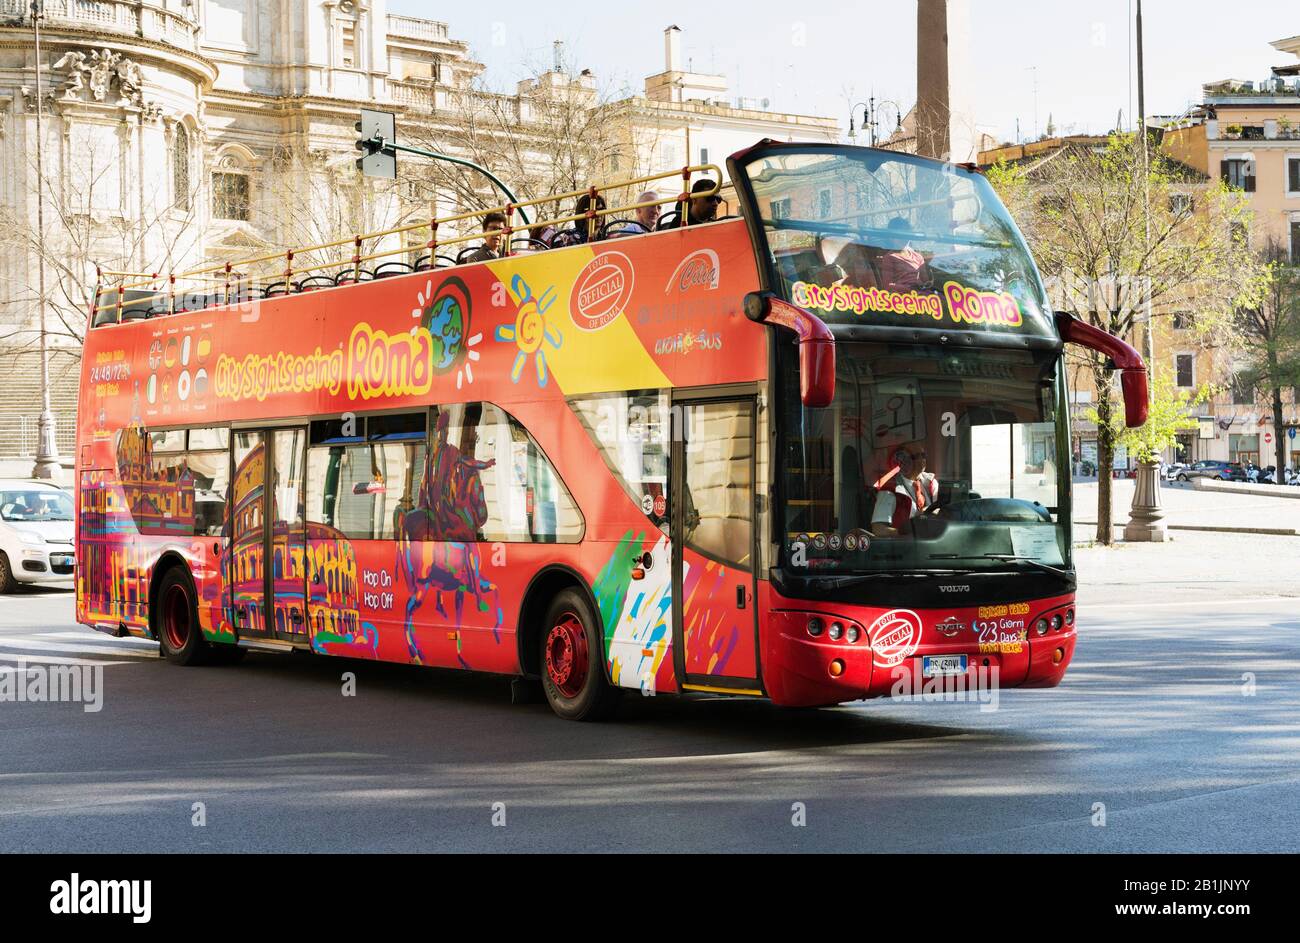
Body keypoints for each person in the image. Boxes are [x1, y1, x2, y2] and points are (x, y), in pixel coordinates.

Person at [870, 444, 938, 537]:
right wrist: (906, 533)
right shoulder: (890, 490)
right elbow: (878, 529)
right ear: (902, 462)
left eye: (923, 455)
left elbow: (941, 509)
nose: (922, 460)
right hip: (904, 546)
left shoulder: (930, 481)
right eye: (916, 456)